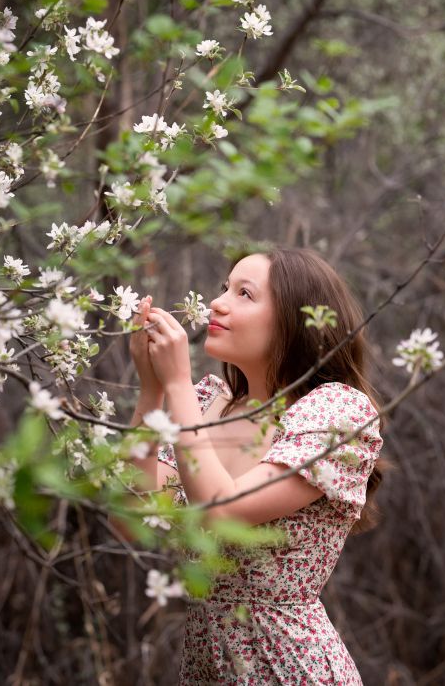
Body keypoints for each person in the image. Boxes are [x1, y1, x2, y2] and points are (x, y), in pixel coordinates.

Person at [129, 246, 384, 684]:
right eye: (224, 287)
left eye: (244, 293)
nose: (218, 302)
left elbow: (222, 509)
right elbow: (131, 506)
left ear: (294, 322)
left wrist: (176, 384)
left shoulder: (336, 414)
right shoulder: (212, 405)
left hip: (290, 667)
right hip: (207, 667)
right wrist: (151, 392)